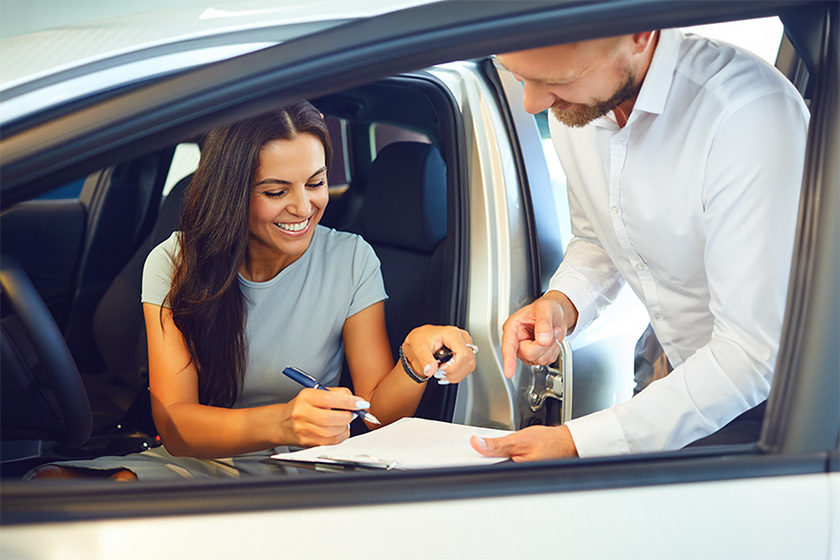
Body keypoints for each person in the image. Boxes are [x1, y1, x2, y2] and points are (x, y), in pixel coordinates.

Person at [32, 101, 476, 480]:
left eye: (316, 182)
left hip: (306, 470)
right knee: (47, 485)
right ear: (232, 194)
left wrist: (415, 363)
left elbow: (378, 416)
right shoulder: (175, 262)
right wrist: (283, 421)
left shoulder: (352, 259)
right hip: (201, 461)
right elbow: (179, 426)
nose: (303, 208)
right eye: (276, 191)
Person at [471, 29, 808, 460]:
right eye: (519, 79)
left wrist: (577, 443)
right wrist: (561, 303)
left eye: (556, 79)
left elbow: (752, 352)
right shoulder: (578, 106)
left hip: (789, 401)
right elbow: (598, 235)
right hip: (676, 370)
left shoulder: (746, 117)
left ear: (640, 35)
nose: (533, 105)